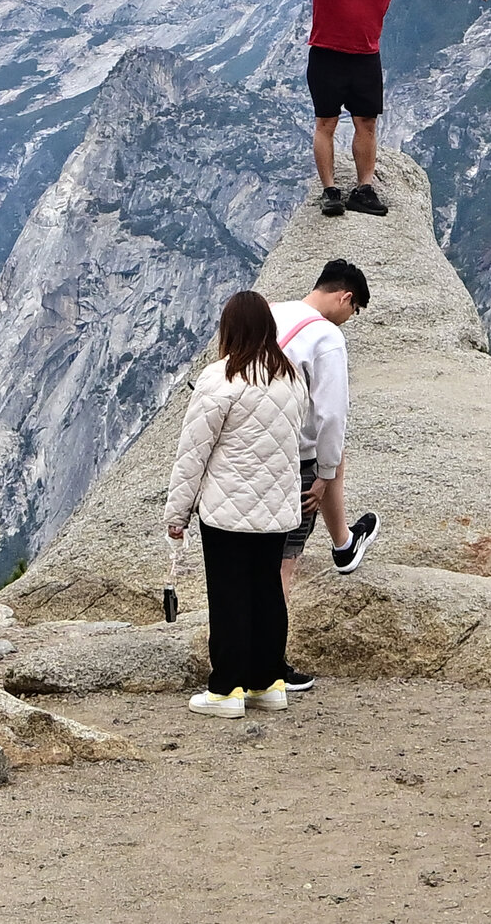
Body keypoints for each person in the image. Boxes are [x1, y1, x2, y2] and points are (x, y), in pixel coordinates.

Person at [218, 0, 490, 217]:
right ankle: (330, 191)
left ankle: (363, 189)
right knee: (326, 123)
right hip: (326, 57)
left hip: (365, 60)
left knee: (367, 124)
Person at [165, 290, 310, 719]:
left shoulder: (219, 379)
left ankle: (227, 688)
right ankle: (268, 683)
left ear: (230, 329)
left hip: (227, 510)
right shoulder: (293, 380)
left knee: (229, 596)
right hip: (277, 510)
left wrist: (177, 513)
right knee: (268, 593)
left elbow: (193, 453)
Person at [271, 259, 379, 692]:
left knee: (251, 559)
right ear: (345, 298)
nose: (348, 321)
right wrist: (326, 473)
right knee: (283, 564)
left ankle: (344, 544)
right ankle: (270, 661)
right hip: (295, 457)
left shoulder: (270, 312)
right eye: (353, 312)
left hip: (250, 450)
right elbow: (333, 414)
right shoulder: (326, 335)